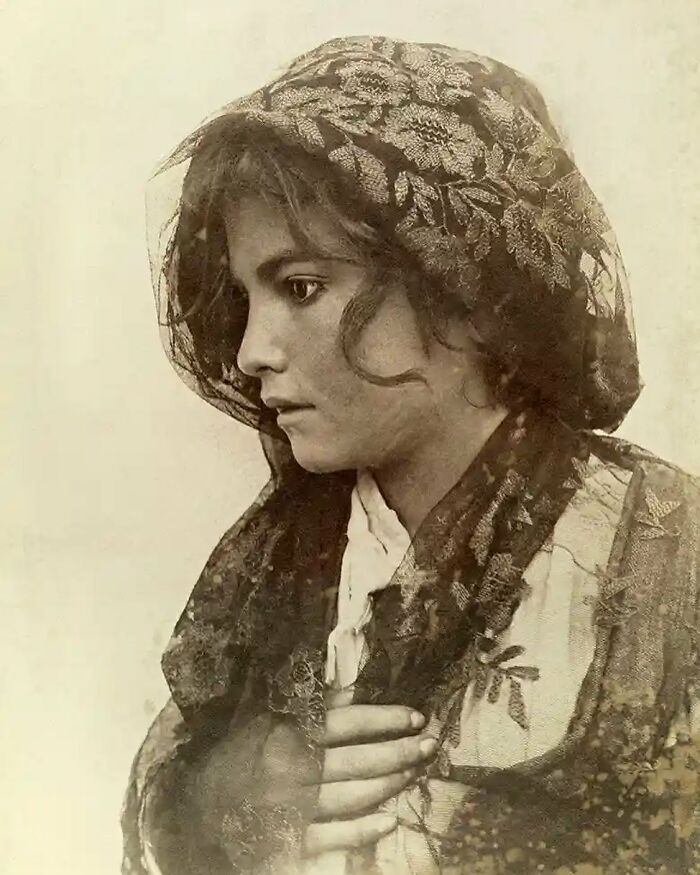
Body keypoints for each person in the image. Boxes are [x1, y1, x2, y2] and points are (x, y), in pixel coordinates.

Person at [122, 36, 700, 875]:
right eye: (246, 297)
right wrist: (226, 817)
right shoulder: (267, 575)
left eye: (302, 287)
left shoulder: (668, 554)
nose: (251, 351)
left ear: (462, 285)